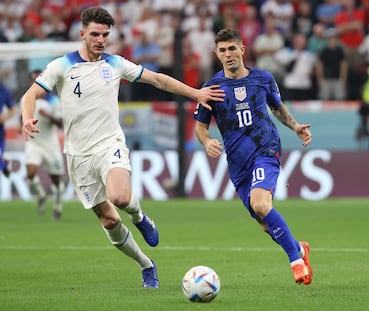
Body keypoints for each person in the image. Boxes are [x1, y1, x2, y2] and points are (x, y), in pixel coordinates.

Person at [21, 6, 224, 289]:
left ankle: (140, 217)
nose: (101, 40)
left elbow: (158, 79)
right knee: (108, 221)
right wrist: (26, 116)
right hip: (78, 155)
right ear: (82, 34)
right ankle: (146, 264)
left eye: (105, 34)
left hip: (110, 144)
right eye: (95, 34)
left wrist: (195, 93)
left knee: (119, 196)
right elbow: (31, 94)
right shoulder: (62, 66)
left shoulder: (115, 64)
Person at [193, 28, 313, 285]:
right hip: (238, 162)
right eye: (223, 50)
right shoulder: (211, 88)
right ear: (216, 53)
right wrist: (206, 141)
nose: (228, 55)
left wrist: (295, 127)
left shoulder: (263, 79)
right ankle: (300, 249)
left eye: (232, 49)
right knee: (263, 221)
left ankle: (295, 261)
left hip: (265, 150)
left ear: (242, 49)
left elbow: (277, 107)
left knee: (260, 204)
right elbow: (200, 127)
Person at [23, 69, 65, 220]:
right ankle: (41, 195)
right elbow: (22, 118)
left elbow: (61, 123)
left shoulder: (53, 102)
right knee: (30, 173)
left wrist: (49, 116)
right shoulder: (27, 99)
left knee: (56, 179)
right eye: (33, 81)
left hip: (50, 144)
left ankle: (58, 205)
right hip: (33, 142)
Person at [0, 80, 15, 177]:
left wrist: (4, 117)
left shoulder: (3, 89)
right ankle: (4, 164)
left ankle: (3, 164)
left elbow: (12, 109)